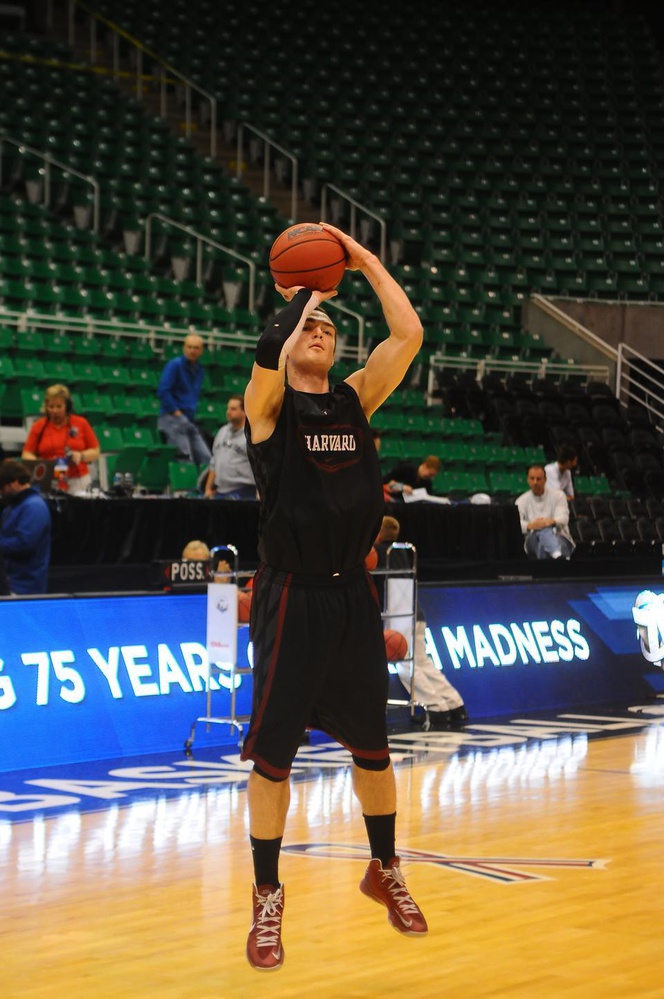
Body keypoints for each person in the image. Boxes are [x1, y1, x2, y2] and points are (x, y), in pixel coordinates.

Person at [240, 221, 428, 971]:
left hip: (353, 597)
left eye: (326, 324)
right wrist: (306, 290)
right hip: (292, 596)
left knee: (374, 752)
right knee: (273, 759)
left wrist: (364, 260)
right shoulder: (268, 408)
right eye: (305, 324)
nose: (317, 328)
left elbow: (408, 331)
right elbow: (265, 357)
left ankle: (384, 868)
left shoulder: (356, 398)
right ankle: (265, 898)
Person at [374, 515, 468, 730]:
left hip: (400, 614)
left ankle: (435, 708)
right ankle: (455, 705)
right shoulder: (404, 551)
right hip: (416, 612)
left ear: (377, 534)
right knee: (422, 662)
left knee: (406, 665)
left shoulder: (379, 553)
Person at [21, 384, 100, 495]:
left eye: (59, 406)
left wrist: (81, 455)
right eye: (51, 406)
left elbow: (95, 451)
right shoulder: (38, 426)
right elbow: (26, 454)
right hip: (49, 480)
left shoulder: (81, 423)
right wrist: (43, 464)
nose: (55, 410)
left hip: (78, 479)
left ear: (67, 406)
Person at [157, 334, 212, 465]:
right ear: (184, 348)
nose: (192, 350)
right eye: (189, 347)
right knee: (185, 457)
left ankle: (204, 485)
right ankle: (185, 485)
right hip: (172, 418)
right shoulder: (174, 365)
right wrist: (177, 413)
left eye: (196, 348)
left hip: (189, 419)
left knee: (207, 459)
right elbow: (163, 391)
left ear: (201, 351)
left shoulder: (199, 370)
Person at [0, 459, 51, 594]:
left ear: (15, 482)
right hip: (10, 582)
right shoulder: (12, 507)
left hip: (23, 587)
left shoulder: (34, 507)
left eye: (2, 487)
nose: (1, 492)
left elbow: (23, 545)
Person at [515, 464, 575, 560]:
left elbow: (563, 518)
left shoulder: (558, 495)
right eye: (532, 478)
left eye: (538, 479)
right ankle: (557, 554)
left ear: (545, 480)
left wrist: (549, 522)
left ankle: (550, 562)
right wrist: (532, 525)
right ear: (528, 480)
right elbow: (516, 524)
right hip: (532, 538)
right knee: (542, 530)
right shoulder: (521, 501)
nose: (535, 482)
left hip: (559, 535)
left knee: (542, 546)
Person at [204, 394, 257, 500]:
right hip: (221, 491)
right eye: (228, 408)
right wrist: (208, 489)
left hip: (244, 491)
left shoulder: (252, 435)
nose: (228, 412)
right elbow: (213, 463)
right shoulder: (222, 431)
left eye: (233, 409)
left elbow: (259, 466)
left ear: (244, 411)